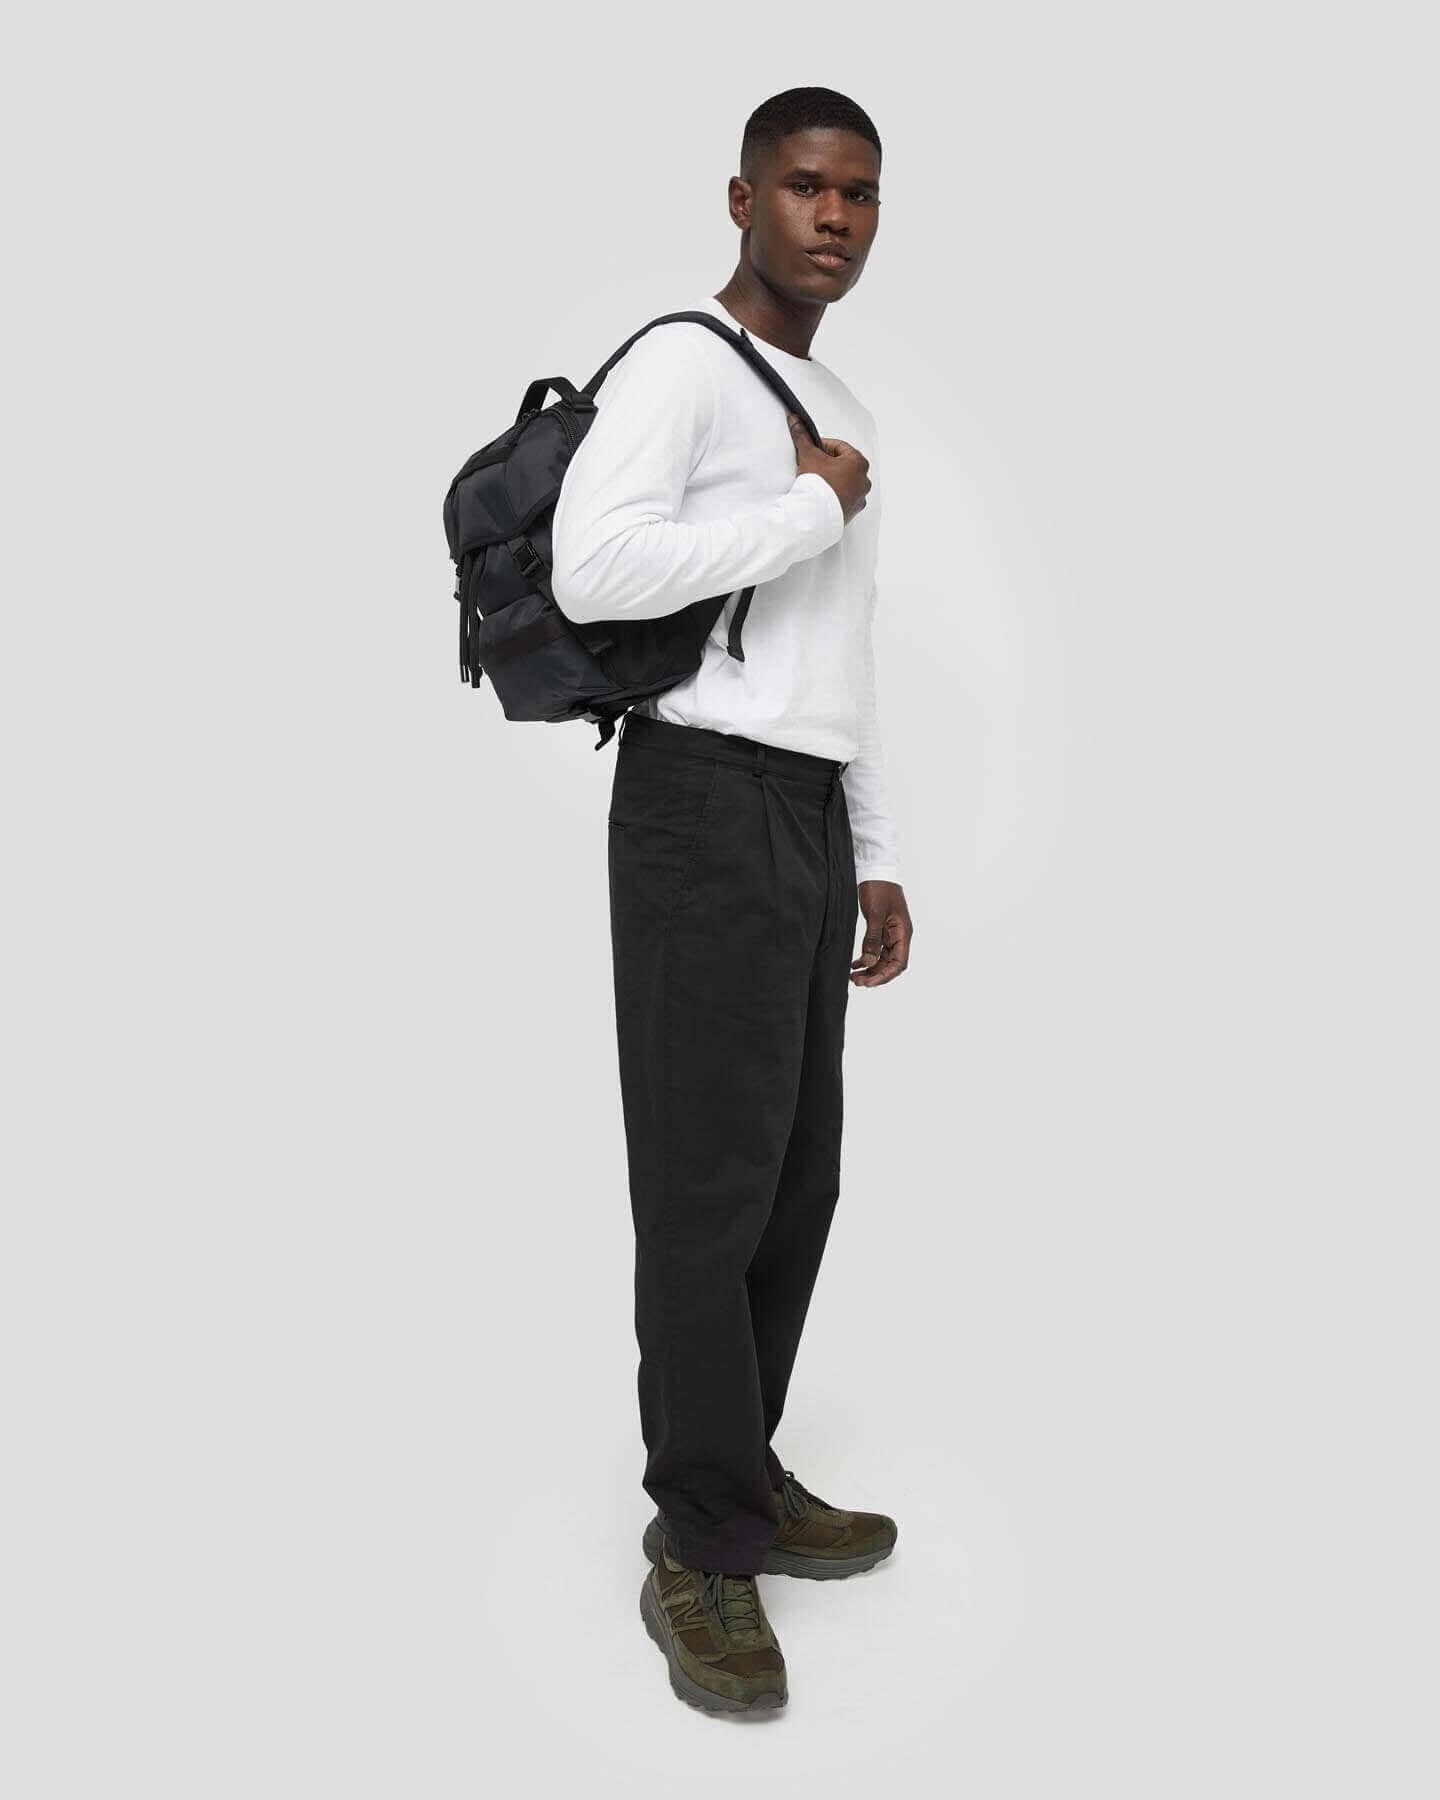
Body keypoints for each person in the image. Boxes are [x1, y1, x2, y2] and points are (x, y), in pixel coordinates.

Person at [550, 86, 913, 1716]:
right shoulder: (686, 367)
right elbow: (594, 566)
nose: (833, 216)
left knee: (794, 1180)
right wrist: (806, 505)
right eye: (805, 186)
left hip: (806, 811)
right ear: (742, 198)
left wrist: (875, 845)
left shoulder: (839, 397)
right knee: (707, 1191)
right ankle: (698, 1544)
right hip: (700, 804)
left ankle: (739, 1469)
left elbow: (841, 644)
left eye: (860, 194)